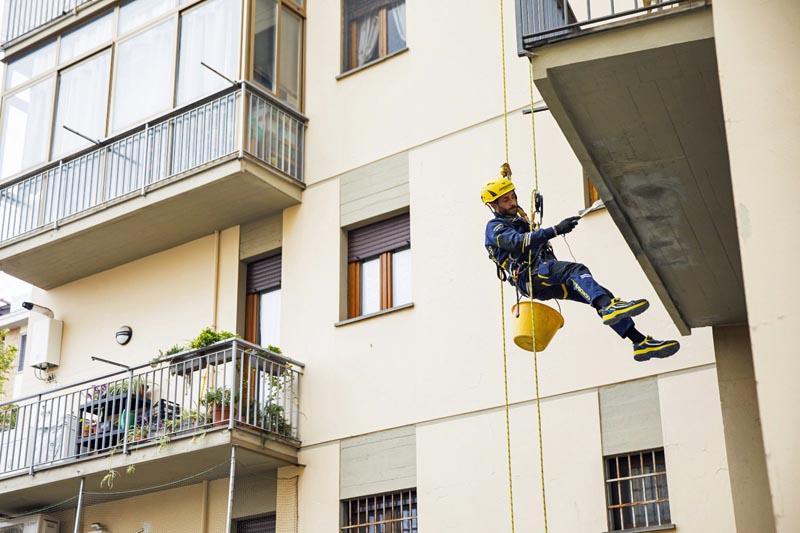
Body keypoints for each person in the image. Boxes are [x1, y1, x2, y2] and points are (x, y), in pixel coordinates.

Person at [482, 176, 680, 361]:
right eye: (506, 200)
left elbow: (528, 236)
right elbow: (519, 242)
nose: (512, 203)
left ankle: (640, 342)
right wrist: (555, 230)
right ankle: (610, 308)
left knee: (600, 295)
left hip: (539, 277)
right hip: (530, 275)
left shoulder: (517, 220)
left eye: (513, 197)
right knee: (575, 271)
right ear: (494, 206)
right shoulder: (494, 227)